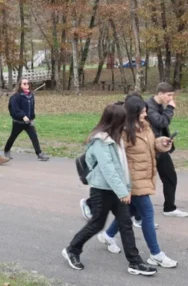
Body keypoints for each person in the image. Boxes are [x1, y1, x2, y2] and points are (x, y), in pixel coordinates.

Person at [61, 104, 157, 276]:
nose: (126, 124)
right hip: (101, 190)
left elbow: (122, 167)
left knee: (126, 224)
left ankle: (135, 263)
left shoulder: (117, 138)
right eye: (123, 120)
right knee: (96, 224)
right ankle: (72, 250)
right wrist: (123, 192)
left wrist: (126, 187)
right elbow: (109, 170)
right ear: (115, 121)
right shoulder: (100, 141)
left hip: (117, 189)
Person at [101, 96, 177, 269]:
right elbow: (118, 160)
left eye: (146, 111)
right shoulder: (124, 132)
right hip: (134, 181)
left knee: (129, 210)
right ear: (134, 113)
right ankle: (156, 254)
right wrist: (123, 186)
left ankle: (108, 235)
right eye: (143, 111)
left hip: (145, 176)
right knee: (148, 214)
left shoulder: (145, 126)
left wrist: (161, 142)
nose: (146, 113)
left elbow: (149, 146)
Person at [146, 83, 187, 218]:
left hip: (159, 147)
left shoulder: (157, 106)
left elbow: (159, 128)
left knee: (170, 177)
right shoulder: (149, 107)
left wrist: (165, 139)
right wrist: (170, 109)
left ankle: (169, 208)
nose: (171, 98)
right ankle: (92, 204)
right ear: (160, 94)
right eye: (169, 95)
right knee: (139, 182)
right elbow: (161, 122)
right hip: (147, 149)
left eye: (172, 95)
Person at [4, 78, 50, 161]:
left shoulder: (31, 95)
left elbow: (32, 108)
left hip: (29, 122)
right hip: (18, 122)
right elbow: (15, 109)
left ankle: (39, 153)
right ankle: (6, 150)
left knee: (34, 137)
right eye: (24, 83)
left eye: (28, 83)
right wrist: (22, 115)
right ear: (20, 85)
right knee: (13, 136)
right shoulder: (16, 96)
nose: (26, 85)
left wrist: (32, 117)